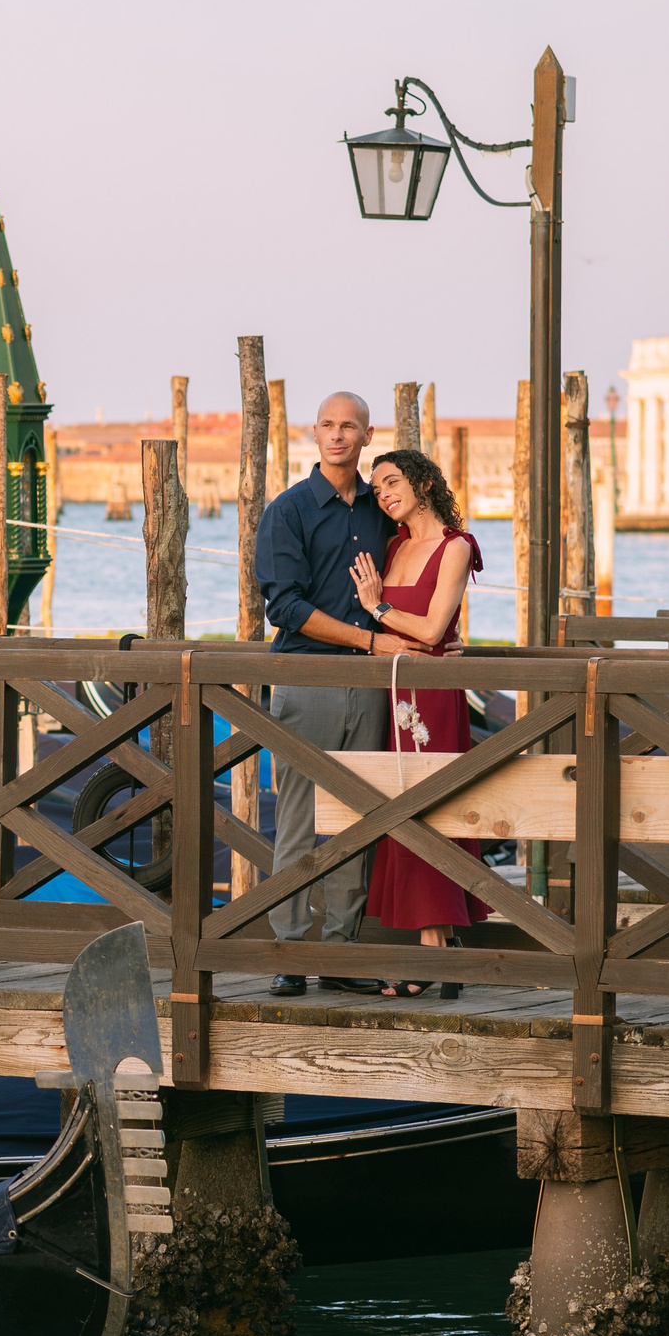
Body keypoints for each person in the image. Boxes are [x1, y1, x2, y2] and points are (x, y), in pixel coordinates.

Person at [254, 391, 406, 997]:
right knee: (298, 818)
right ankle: (290, 951)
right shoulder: (287, 511)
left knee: (357, 821)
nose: (338, 434)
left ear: (368, 436)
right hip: (307, 679)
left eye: (349, 426)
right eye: (327, 425)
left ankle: (341, 952)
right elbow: (285, 608)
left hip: (369, 687)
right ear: (313, 434)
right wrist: (369, 642)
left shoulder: (382, 510)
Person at [353, 447, 485, 997]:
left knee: (432, 812)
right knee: (401, 814)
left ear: (424, 482)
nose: (383, 494)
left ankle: (433, 956)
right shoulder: (392, 546)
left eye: (392, 482)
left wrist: (378, 608)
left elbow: (432, 631)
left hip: (432, 697)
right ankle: (441, 948)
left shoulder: (456, 546)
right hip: (393, 693)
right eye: (377, 488)